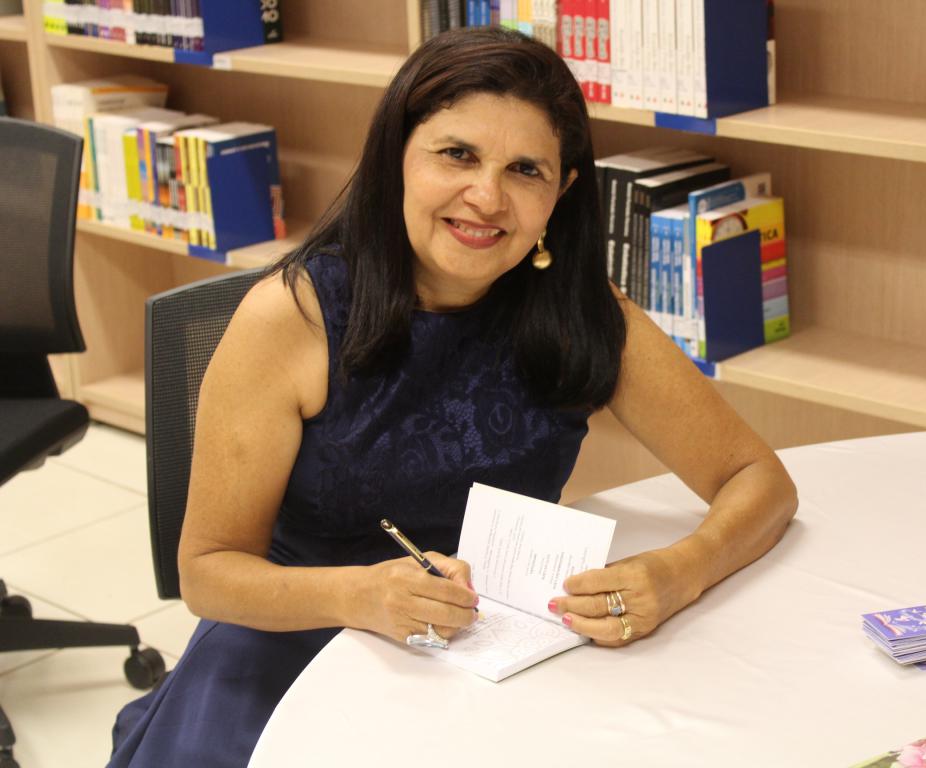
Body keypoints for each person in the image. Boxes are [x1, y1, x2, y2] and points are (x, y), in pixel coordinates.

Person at [108, 25, 798, 766]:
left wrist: (679, 572)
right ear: (398, 157)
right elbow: (208, 572)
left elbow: (759, 481)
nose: (487, 197)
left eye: (526, 170)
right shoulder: (294, 314)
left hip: (488, 652)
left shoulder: (584, 317)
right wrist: (360, 595)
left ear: (561, 193)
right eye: (457, 155)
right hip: (291, 647)